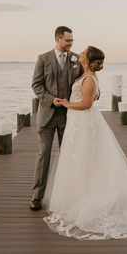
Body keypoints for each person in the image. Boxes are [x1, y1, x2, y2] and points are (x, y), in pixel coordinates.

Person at [43, 46, 127, 240]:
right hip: (77, 122)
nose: (79, 54)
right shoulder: (86, 75)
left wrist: (66, 104)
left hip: (82, 121)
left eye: (83, 53)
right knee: (80, 158)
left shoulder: (89, 78)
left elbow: (87, 104)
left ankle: (89, 198)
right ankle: (79, 195)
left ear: (88, 61)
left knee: (85, 157)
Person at [30, 26, 84, 211]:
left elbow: (86, 80)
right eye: (68, 40)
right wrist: (51, 100)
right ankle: (37, 196)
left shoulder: (77, 59)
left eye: (72, 40)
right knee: (43, 156)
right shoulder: (43, 58)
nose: (71, 43)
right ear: (58, 39)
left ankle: (68, 195)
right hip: (47, 116)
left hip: (69, 117)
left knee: (68, 156)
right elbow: (36, 85)